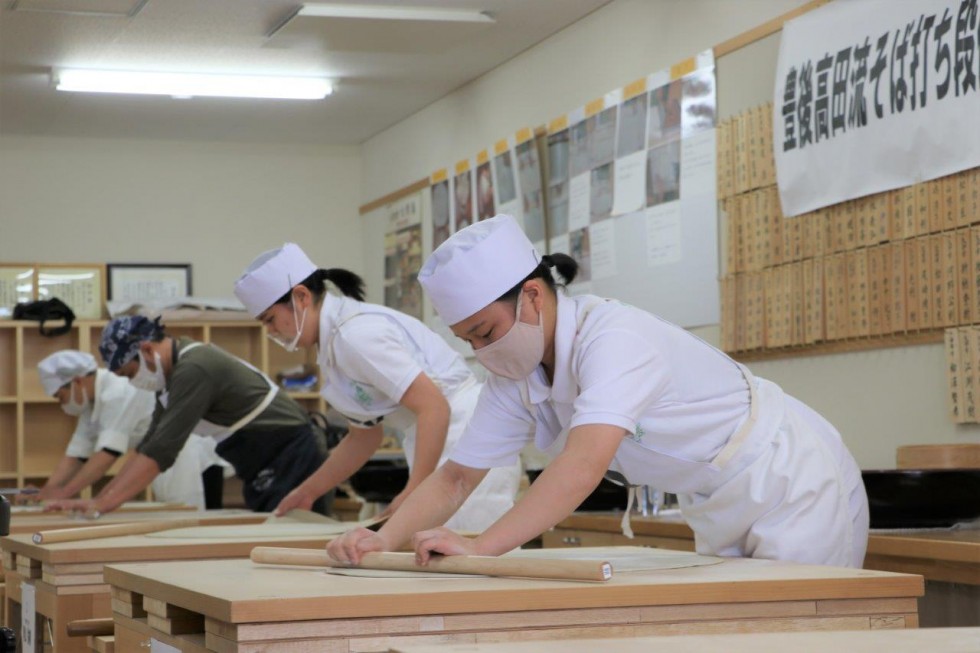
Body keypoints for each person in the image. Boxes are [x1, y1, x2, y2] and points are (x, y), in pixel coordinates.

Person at [328, 214, 870, 569]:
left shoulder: (614, 339)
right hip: (715, 496)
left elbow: (581, 467)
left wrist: (482, 546)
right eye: (467, 339)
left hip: (789, 478)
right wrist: (385, 537)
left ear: (533, 297)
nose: (483, 350)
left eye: (487, 333)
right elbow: (455, 478)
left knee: (806, 631)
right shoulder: (514, 376)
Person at [233, 243, 521, 532]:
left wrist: (414, 490)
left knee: (471, 554)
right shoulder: (334, 345)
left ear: (301, 296)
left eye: (270, 320)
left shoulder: (356, 335)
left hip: (464, 433)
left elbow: (434, 406)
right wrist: (307, 492)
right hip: (439, 435)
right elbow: (364, 438)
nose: (271, 331)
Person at [45, 316, 331, 517]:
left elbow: (162, 450)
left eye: (130, 373)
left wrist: (103, 505)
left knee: (292, 544)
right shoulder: (169, 380)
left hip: (292, 453)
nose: (133, 382)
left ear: (145, 349)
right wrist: (100, 500)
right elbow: (149, 444)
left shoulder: (193, 368)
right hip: (263, 460)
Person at [30, 350, 225, 510]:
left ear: (77, 381)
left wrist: (64, 495)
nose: (62, 403)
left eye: (60, 396)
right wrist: (48, 491)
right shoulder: (91, 404)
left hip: (190, 454)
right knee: (175, 514)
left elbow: (108, 454)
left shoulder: (116, 391)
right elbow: (76, 454)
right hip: (162, 456)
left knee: (190, 520)